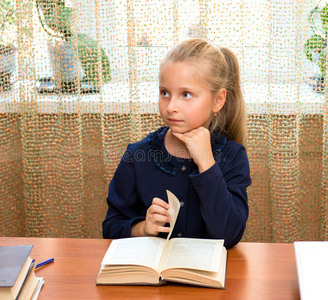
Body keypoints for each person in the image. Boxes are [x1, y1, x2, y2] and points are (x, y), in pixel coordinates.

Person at [102, 38, 252, 249]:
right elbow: (110, 228)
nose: (171, 106)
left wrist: (207, 163)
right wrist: (143, 228)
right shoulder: (137, 155)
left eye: (186, 94)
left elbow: (229, 236)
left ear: (218, 100)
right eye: (165, 93)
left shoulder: (233, 156)